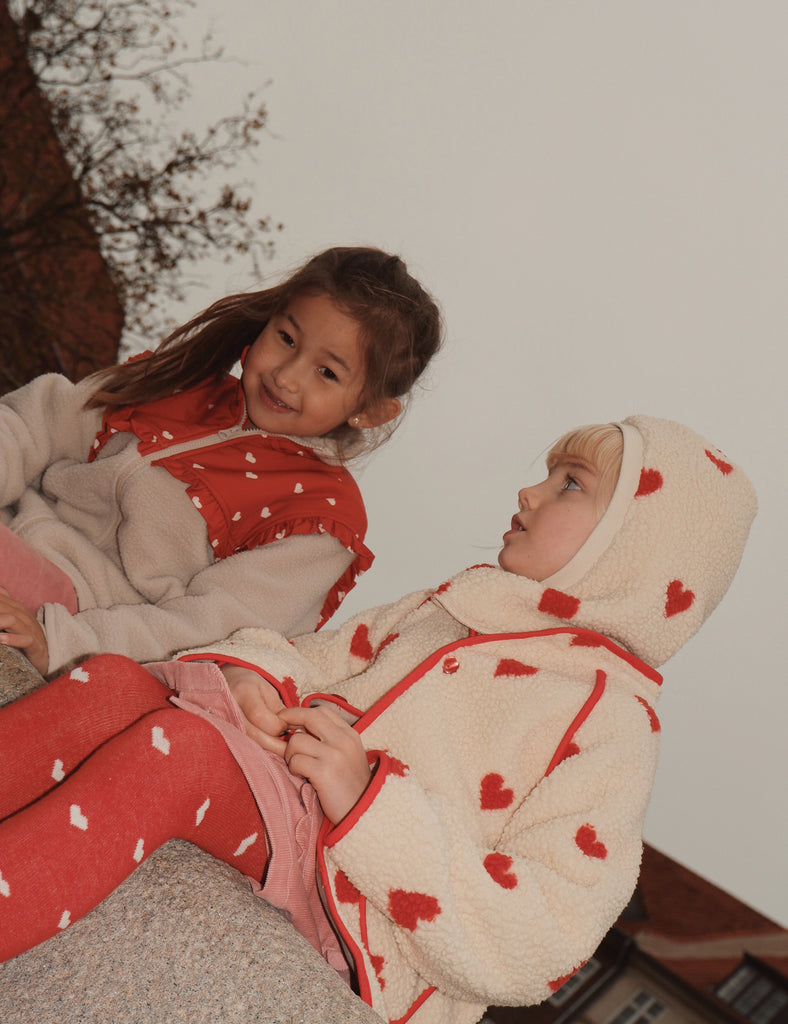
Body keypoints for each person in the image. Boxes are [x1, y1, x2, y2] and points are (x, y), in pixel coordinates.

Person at [0, 415, 756, 1024]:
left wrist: (371, 801)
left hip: (368, 921)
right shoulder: (449, 612)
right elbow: (307, 655)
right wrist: (257, 677)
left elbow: (546, 935)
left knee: (181, 752)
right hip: (280, 808)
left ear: (631, 552)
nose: (528, 493)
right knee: (108, 685)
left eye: (568, 484)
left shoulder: (610, 724)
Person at [0, 246, 442, 677]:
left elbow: (211, 627)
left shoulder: (318, 515)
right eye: (286, 338)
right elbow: (35, 425)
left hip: (83, 615)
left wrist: (61, 643)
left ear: (369, 410)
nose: (286, 375)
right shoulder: (180, 381)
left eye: (327, 373)